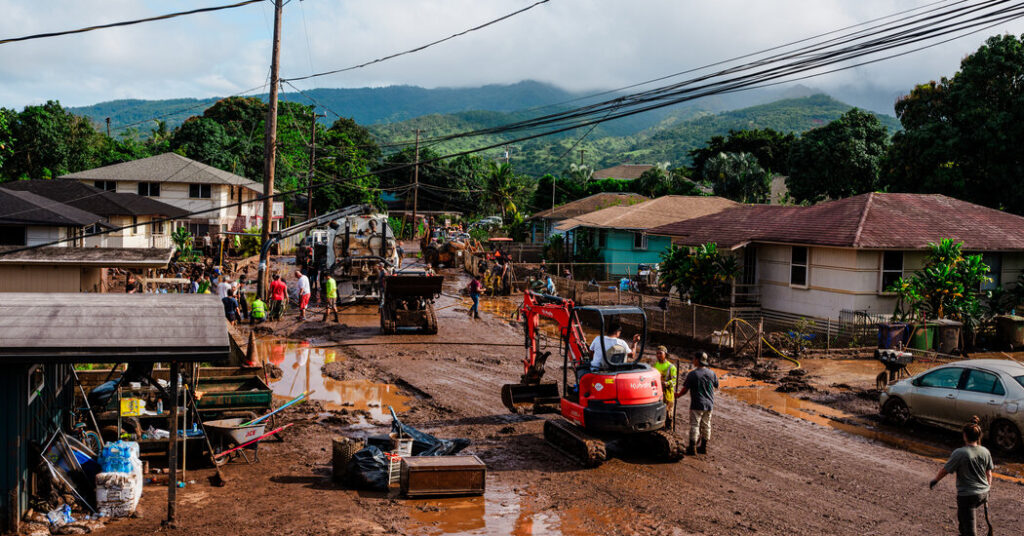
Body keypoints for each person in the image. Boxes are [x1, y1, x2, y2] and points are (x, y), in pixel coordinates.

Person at [930, 416, 994, 536]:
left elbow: (945, 470)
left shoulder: (960, 453)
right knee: (962, 515)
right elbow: (989, 473)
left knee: (969, 524)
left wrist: (935, 480)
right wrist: (987, 489)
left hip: (968, 495)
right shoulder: (985, 451)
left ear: (964, 435)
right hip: (983, 493)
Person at [677, 352, 718, 456]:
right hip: (709, 404)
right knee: (706, 425)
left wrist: (677, 395)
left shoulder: (693, 374)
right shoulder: (712, 373)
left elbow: (685, 390)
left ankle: (692, 448)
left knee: (695, 425)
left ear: (698, 360)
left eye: (694, 359)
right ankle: (703, 447)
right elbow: (716, 385)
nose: (693, 361)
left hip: (697, 404)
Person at [652, 346, 677, 422]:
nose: (658, 355)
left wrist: (666, 383)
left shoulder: (671, 367)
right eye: (657, 353)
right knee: (658, 413)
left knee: (668, 414)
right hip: (658, 394)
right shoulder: (655, 365)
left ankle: (669, 430)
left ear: (665, 354)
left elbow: (674, 380)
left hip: (668, 393)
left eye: (660, 353)